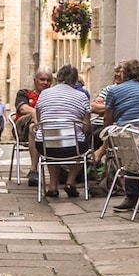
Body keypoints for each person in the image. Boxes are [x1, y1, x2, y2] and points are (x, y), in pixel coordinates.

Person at [92, 59, 139, 212]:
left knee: (124, 143)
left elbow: (108, 119)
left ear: (124, 73)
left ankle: (131, 196)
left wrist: (106, 134)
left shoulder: (114, 91)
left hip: (130, 137)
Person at [35, 62, 91, 198]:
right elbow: (86, 126)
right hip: (73, 147)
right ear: (75, 80)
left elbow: (39, 119)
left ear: (57, 78)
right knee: (82, 146)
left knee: (51, 143)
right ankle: (70, 181)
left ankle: (53, 186)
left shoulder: (44, 94)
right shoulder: (82, 96)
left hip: (45, 146)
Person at [12, 69, 53, 185]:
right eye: (42, 79)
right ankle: (34, 169)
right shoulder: (24, 93)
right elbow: (23, 108)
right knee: (33, 123)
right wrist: (37, 113)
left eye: (48, 80)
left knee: (33, 127)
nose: (45, 83)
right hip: (22, 128)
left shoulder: (53, 97)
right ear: (35, 81)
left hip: (44, 128)